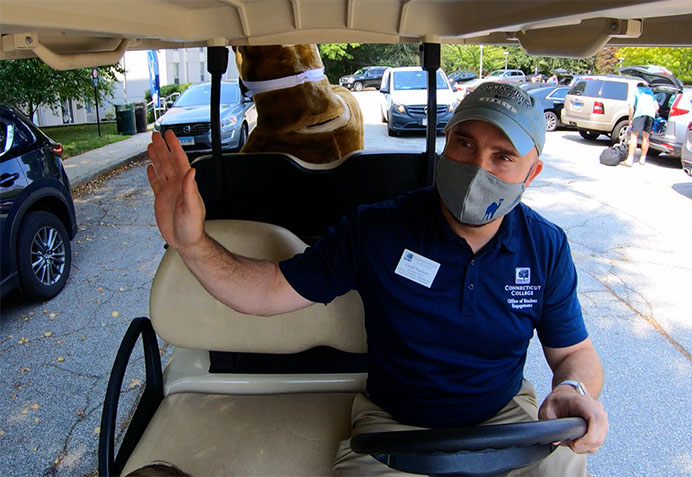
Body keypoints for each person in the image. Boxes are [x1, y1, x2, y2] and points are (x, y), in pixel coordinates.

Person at [146, 82, 608, 476]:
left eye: (502, 156)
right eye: (465, 143)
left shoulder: (545, 247)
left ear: (533, 172)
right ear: (446, 142)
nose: (477, 168)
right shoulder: (377, 229)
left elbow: (574, 352)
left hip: (506, 418)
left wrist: (574, 389)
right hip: (394, 427)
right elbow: (268, 290)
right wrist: (191, 244)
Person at [624, 83, 659, 166]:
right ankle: (643, 159)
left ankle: (630, 159)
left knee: (634, 136)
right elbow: (657, 107)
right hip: (650, 115)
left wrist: (631, 119)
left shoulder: (636, 91)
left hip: (639, 114)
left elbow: (631, 107)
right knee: (646, 137)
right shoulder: (650, 92)